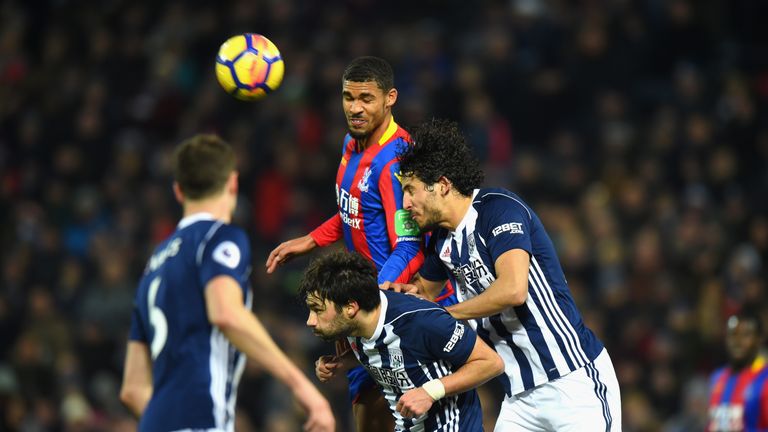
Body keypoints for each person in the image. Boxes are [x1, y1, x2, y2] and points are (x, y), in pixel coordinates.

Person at [391, 118, 622, 431]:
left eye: (410, 190)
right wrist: (389, 298)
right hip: (519, 399)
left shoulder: (497, 209)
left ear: (442, 185)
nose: (405, 203)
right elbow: (419, 299)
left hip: (573, 382)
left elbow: (513, 290)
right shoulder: (441, 241)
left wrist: (445, 314)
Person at [265, 56, 455, 431]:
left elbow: (409, 245)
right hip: (368, 307)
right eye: (348, 97)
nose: (355, 108)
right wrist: (310, 239)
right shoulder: (351, 144)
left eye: (366, 98)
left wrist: (374, 296)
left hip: (393, 308)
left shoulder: (398, 160)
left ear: (390, 98)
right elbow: (355, 210)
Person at [119, 134, 335, 432]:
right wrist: (302, 387)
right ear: (233, 183)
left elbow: (132, 389)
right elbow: (226, 313)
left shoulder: (154, 265)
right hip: (201, 418)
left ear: (178, 191)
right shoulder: (220, 237)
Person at [299, 250, 504, 431]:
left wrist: (430, 392)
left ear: (351, 307)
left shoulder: (421, 320)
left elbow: (491, 363)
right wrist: (345, 362)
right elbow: (394, 353)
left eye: (318, 310)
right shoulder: (354, 324)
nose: (310, 321)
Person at [708, 308, 768, 431]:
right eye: (732, 334)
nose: (737, 342)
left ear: (759, 339)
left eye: (745, 335)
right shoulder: (717, 377)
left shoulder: (765, 379)